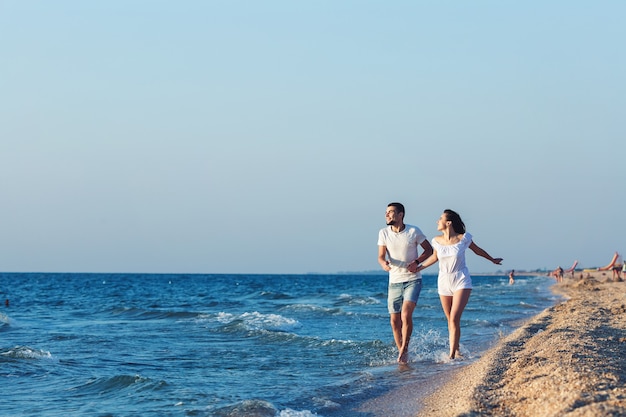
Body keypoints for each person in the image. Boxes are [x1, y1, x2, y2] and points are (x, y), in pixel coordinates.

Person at [416, 209, 502, 360]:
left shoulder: (464, 238)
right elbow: (435, 257)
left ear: (448, 222)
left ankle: (451, 356)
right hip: (443, 281)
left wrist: (492, 259)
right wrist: (419, 268)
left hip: (461, 279)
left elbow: (478, 251)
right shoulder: (436, 241)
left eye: (440, 218)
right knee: (450, 320)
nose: (437, 221)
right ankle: (456, 350)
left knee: (454, 318)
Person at [378, 202, 433, 364]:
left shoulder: (413, 231)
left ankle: (404, 351)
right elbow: (381, 256)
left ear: (400, 214)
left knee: (406, 314)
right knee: (394, 321)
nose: (387, 215)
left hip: (412, 280)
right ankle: (402, 353)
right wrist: (383, 264)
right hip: (394, 281)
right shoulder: (383, 233)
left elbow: (428, 250)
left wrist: (416, 262)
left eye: (390, 212)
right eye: (386, 212)